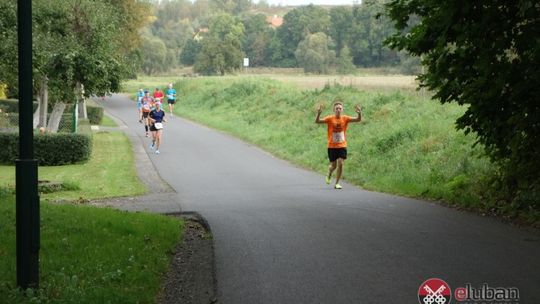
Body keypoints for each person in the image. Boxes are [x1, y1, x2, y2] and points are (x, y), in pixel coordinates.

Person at [315, 101, 362, 189]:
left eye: (340, 108)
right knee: (333, 166)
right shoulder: (330, 118)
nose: (338, 110)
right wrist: (318, 114)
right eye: (337, 108)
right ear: (334, 110)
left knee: (341, 163)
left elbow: (358, 119)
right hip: (332, 146)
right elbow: (317, 121)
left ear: (342, 109)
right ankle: (329, 173)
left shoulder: (345, 118)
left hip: (342, 145)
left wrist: (359, 113)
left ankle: (337, 183)